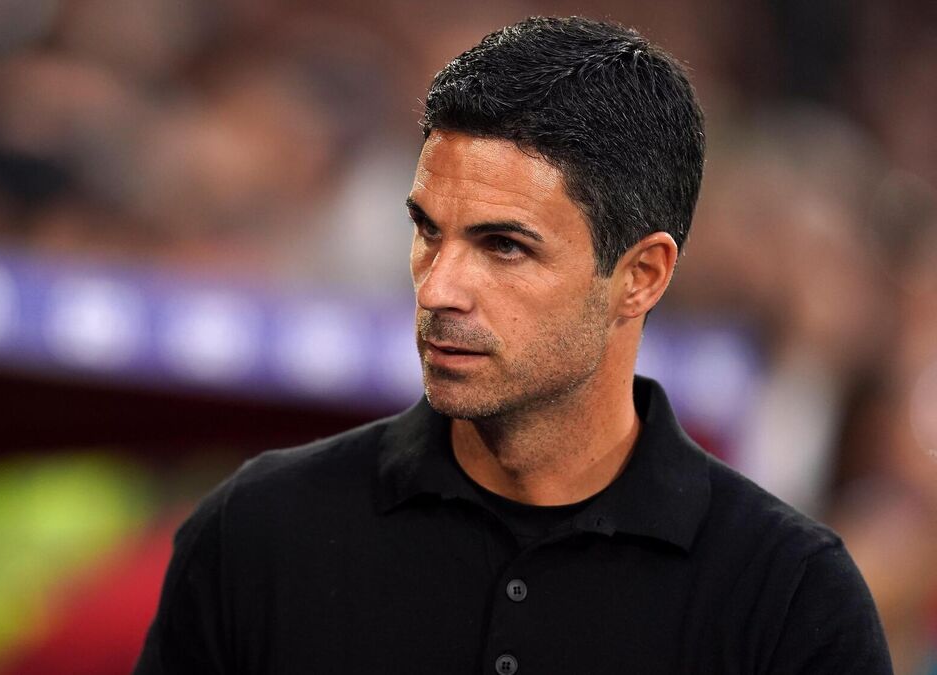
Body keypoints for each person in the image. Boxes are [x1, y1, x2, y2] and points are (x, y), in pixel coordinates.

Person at [133, 16, 892, 674]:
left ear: (641, 277)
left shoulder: (788, 596)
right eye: (428, 231)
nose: (438, 287)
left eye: (504, 246)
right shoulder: (256, 535)